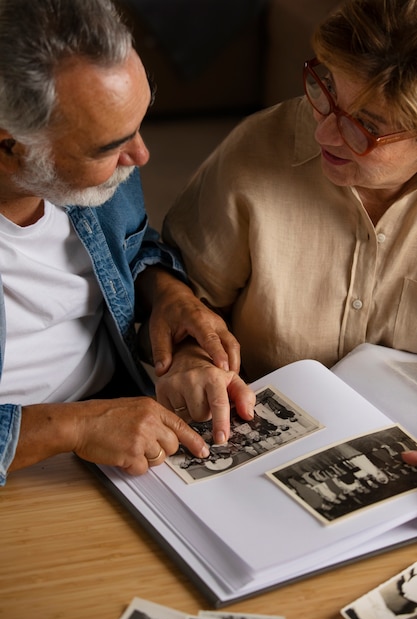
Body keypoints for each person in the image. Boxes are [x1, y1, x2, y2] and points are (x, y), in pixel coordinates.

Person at [0, 0, 256, 487]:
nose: (140, 155)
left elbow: (131, 248)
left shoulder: (93, 174)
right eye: (109, 147)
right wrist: (77, 426)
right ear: (10, 147)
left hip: (117, 426)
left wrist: (169, 298)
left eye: (139, 122)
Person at [162, 0, 417, 466]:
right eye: (326, 92)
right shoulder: (257, 151)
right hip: (254, 449)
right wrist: (190, 359)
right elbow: (178, 299)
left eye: (365, 126)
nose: (324, 134)